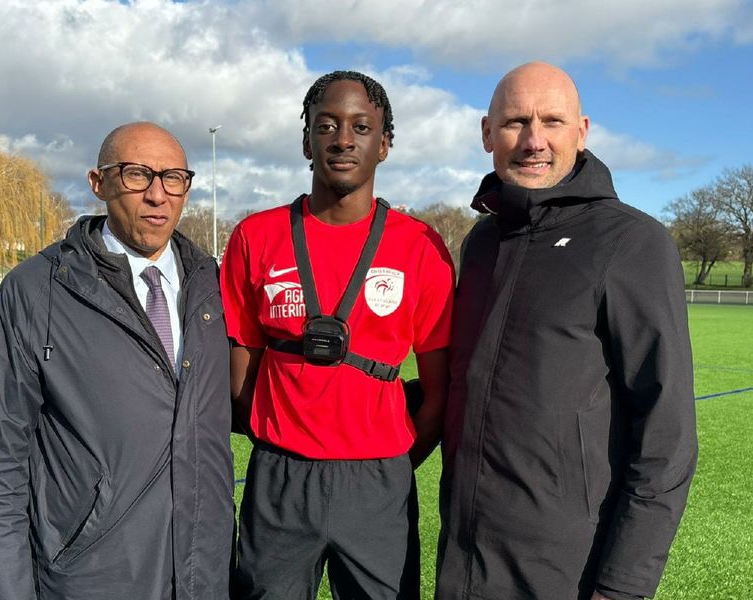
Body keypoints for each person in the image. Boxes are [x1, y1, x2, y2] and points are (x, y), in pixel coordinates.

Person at [435, 62, 698, 600]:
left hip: (567, 573)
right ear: (487, 133)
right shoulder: (481, 244)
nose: (534, 140)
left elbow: (667, 438)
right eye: (514, 122)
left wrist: (622, 587)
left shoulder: (633, 243)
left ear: (582, 130)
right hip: (463, 562)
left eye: (552, 121)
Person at [0, 122, 234, 599]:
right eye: (136, 175)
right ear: (99, 182)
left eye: (173, 178)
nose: (157, 194)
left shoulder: (216, 284)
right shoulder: (35, 291)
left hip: (202, 575)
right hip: (92, 577)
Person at [222, 70, 455, 599]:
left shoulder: (421, 247)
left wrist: (387, 462)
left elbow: (440, 390)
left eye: (361, 126)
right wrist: (285, 441)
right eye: (326, 125)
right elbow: (241, 377)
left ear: (384, 144)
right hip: (280, 479)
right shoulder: (254, 237)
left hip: (379, 486)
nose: (343, 139)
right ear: (307, 140)